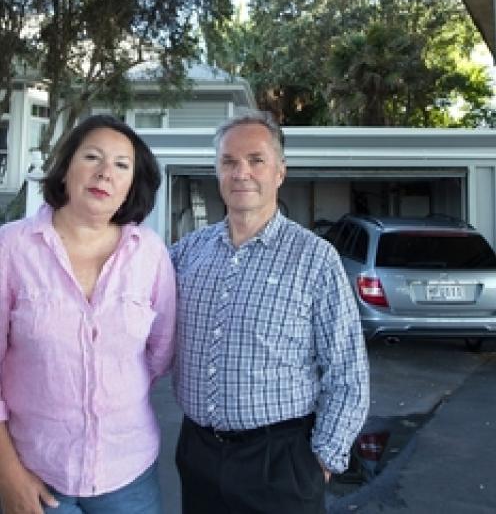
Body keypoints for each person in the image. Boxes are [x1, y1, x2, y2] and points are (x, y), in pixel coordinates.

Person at [171, 109, 370, 514]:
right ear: (217, 172)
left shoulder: (315, 258)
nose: (241, 172)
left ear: (279, 172)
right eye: (229, 162)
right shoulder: (187, 253)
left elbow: (347, 370)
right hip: (198, 454)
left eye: (255, 160)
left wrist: (323, 460)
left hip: (280, 463)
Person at [0, 115, 176, 514]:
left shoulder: (149, 253)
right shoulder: (11, 248)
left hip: (130, 472)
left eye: (121, 165)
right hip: (36, 471)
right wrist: (7, 473)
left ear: (133, 183)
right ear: (65, 169)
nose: (104, 174)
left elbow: (160, 350)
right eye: (92, 157)